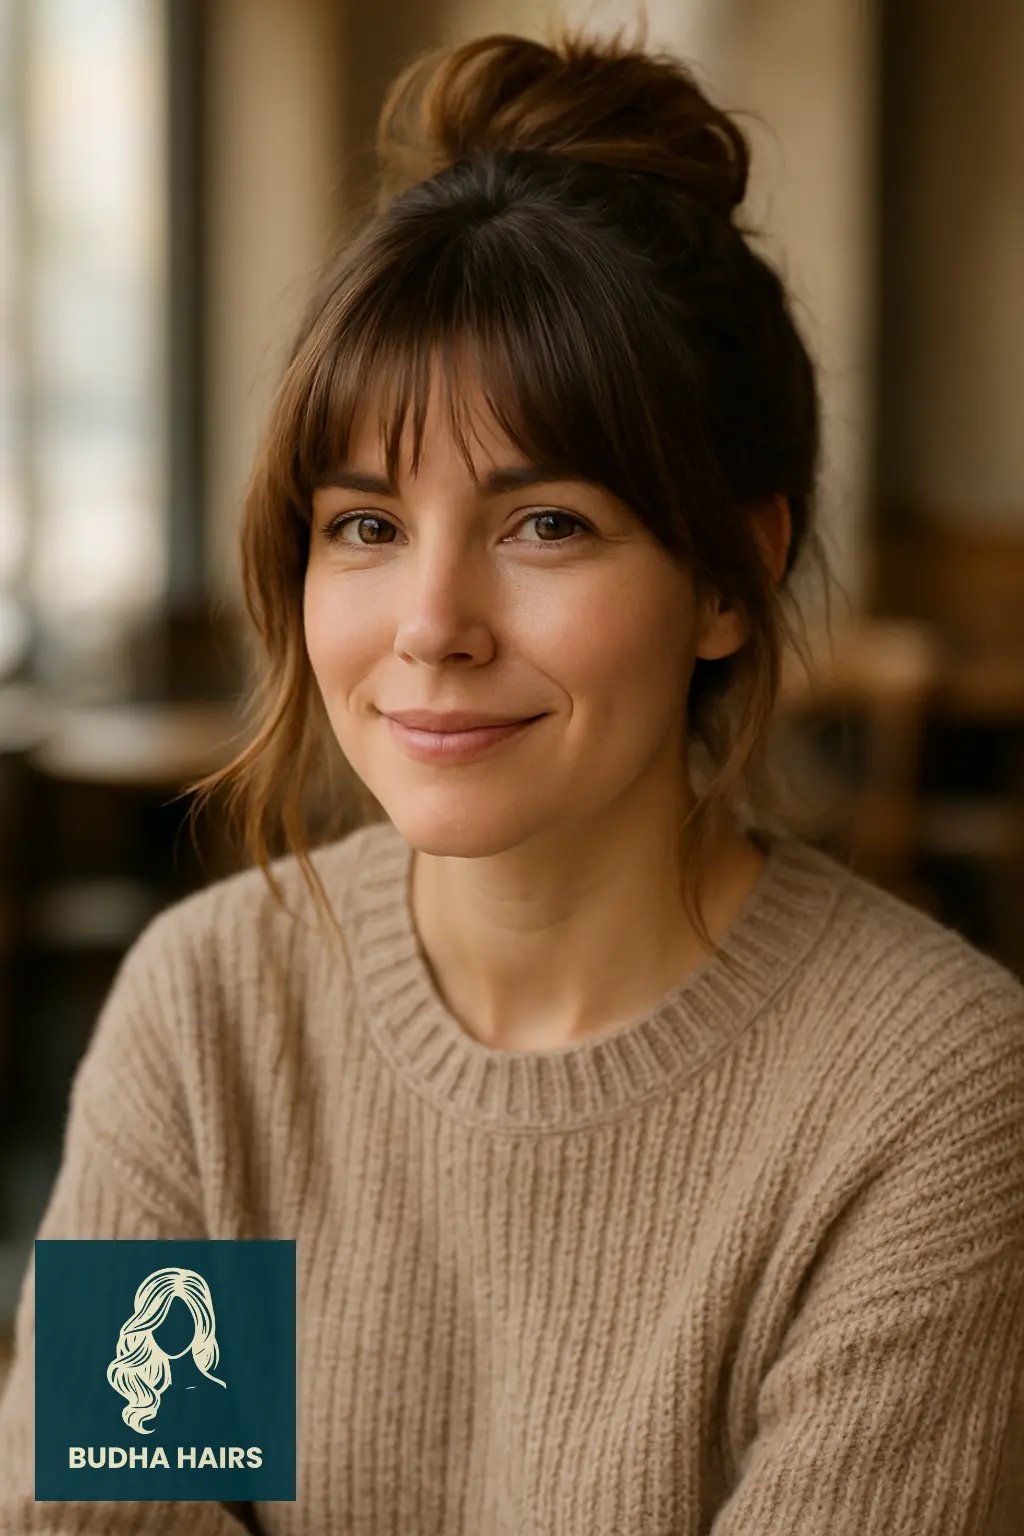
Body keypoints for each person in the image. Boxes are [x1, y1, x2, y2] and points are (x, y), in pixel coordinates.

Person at [1, 23, 1023, 1535]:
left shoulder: (929, 1096)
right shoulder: (214, 1014)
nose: (430, 626)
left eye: (545, 523)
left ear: (735, 577)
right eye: (363, 526)